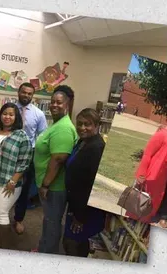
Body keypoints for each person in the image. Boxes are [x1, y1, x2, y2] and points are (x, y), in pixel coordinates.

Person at [35, 89, 78, 254]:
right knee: (49, 220)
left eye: (59, 102)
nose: (54, 105)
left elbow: (59, 159)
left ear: (67, 105)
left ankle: (47, 254)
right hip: (50, 185)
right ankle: (43, 248)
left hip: (54, 187)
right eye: (52, 101)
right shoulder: (57, 123)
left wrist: (45, 184)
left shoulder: (63, 128)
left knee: (52, 222)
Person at [0, 103, 32, 248]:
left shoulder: (21, 136)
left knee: (1, 211)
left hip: (8, 180)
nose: (7, 117)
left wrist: (14, 180)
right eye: (5, 114)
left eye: (11, 114)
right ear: (0, 115)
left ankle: (1, 245)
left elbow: (24, 161)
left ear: (16, 117)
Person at [62, 108, 107, 257]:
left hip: (85, 209)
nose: (82, 128)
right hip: (76, 203)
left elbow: (90, 186)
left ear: (96, 125)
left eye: (87, 124)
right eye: (79, 124)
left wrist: (80, 217)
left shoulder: (96, 148)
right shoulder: (84, 142)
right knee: (73, 242)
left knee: (73, 242)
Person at [125, 112, 167, 224]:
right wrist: (141, 174)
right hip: (152, 172)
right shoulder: (161, 134)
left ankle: (144, 220)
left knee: (154, 199)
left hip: (162, 175)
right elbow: (147, 154)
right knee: (142, 198)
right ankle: (132, 220)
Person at [13, 82, 48, 235]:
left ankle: (18, 219)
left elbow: (42, 137)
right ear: (18, 92)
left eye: (29, 93)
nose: (26, 95)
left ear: (32, 95)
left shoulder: (38, 114)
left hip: (28, 154)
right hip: (10, 151)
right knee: (3, 185)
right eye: (23, 92)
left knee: (24, 188)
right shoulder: (9, 109)